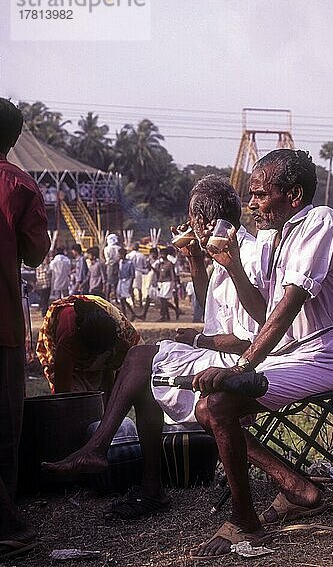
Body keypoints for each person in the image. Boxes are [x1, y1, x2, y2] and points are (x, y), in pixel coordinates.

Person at [41, 175, 260, 522]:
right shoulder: (225, 249)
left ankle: (101, 449)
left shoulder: (247, 255)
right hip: (220, 353)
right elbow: (214, 309)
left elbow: (250, 339)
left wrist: (198, 340)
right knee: (141, 366)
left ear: (201, 223)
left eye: (192, 220)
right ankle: (147, 483)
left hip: (241, 363)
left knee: (141, 358)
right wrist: (194, 260)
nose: (189, 226)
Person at [190, 149, 333, 558]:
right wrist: (232, 267)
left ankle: (247, 522)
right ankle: (294, 484)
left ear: (295, 195)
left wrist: (245, 366)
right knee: (205, 409)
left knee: (219, 402)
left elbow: (289, 306)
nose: (251, 204)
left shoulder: (320, 221)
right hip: (289, 355)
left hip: (325, 357)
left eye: (261, 195)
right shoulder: (271, 239)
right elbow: (262, 313)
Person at [0, 98, 50, 558]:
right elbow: (36, 253)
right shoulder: (17, 184)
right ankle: (6, 522)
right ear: (14, 140)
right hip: (3, 327)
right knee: (4, 425)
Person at [36, 295, 141, 404]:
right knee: (76, 403)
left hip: (107, 350)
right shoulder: (68, 340)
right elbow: (63, 393)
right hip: (71, 352)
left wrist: (112, 404)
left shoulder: (123, 332)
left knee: (105, 400)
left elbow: (125, 377)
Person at [156, 247, 176, 321]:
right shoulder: (160, 264)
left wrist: (173, 286)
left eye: (162, 254)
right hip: (161, 283)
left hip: (167, 282)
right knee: (162, 300)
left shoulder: (169, 264)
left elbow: (172, 275)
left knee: (163, 299)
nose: (161, 255)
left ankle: (163, 316)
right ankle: (167, 316)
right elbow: (158, 273)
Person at [116, 248, 136, 320]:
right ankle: (125, 315)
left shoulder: (130, 263)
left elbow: (132, 275)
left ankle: (129, 314)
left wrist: (130, 285)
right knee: (121, 299)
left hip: (127, 281)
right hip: (121, 281)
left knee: (124, 298)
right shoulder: (120, 262)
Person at [127, 242, 148, 308]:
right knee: (139, 289)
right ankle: (140, 304)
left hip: (130, 273)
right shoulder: (142, 255)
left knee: (131, 288)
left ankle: (133, 303)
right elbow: (145, 265)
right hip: (139, 272)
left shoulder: (129, 255)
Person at [103, 234, 120, 302]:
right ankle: (115, 298)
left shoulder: (106, 248)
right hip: (117, 266)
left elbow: (107, 259)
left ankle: (107, 298)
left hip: (109, 266)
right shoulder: (118, 248)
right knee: (116, 283)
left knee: (109, 283)